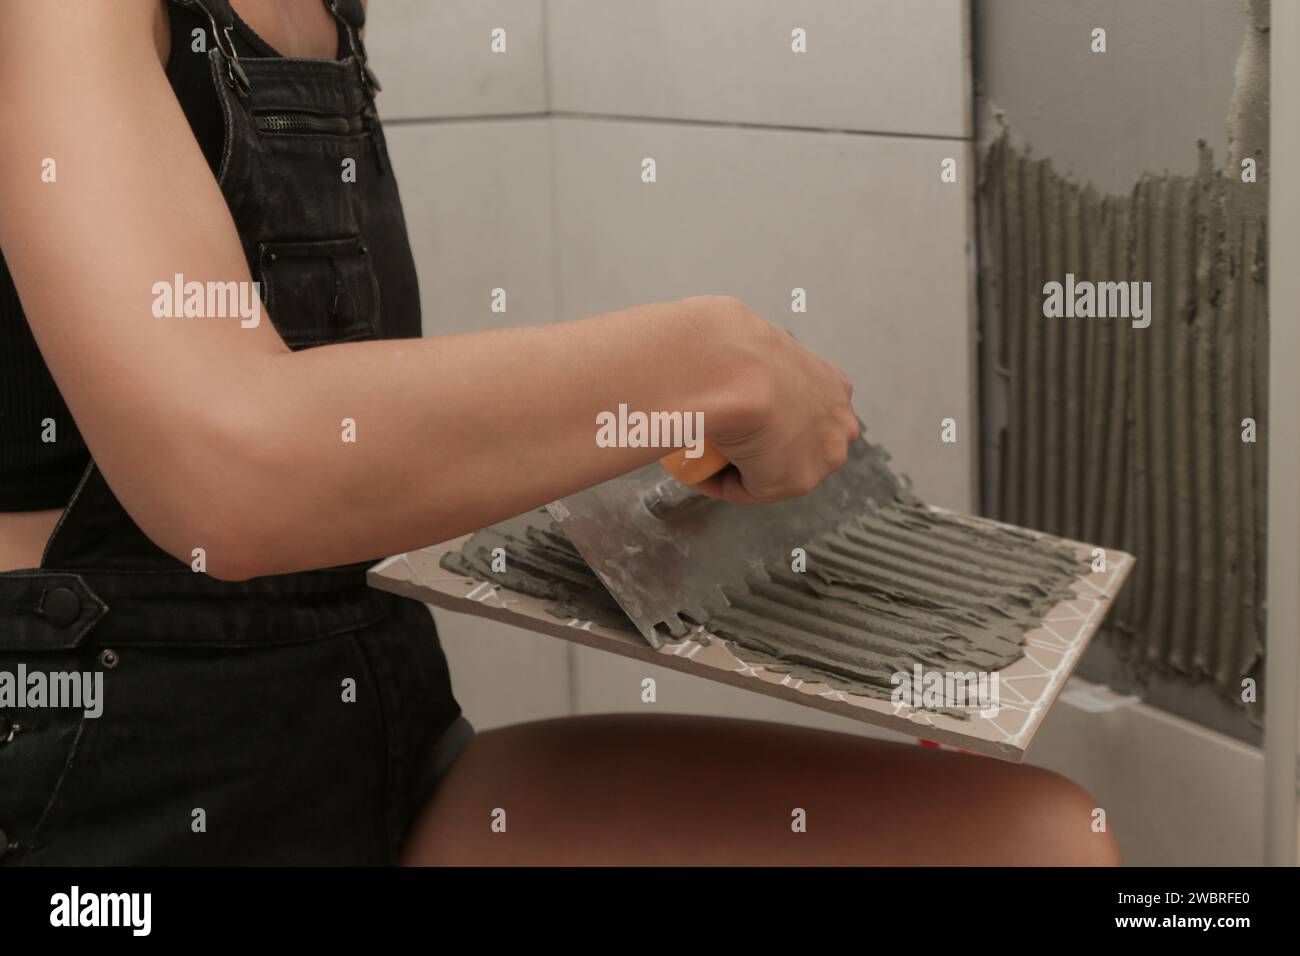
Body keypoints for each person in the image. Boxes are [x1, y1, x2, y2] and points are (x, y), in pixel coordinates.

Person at [0, 0, 1119, 866]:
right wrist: (713, 364)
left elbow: (342, 435)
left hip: (369, 758)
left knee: (1031, 843)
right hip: (108, 803)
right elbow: (225, 472)